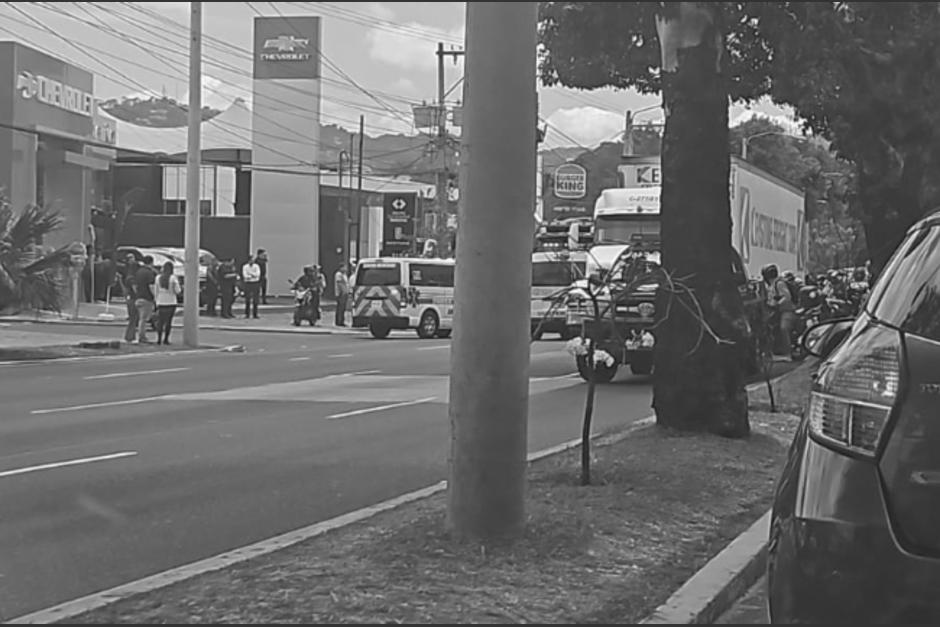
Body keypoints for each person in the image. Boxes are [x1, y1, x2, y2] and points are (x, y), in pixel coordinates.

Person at [760, 263, 796, 357]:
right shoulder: (772, 285)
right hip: (777, 312)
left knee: (784, 328)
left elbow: (787, 297)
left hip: (787, 311)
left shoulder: (779, 283)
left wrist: (777, 304)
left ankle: (788, 354)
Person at [153, 260, 182, 345]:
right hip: (171, 301)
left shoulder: (158, 278)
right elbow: (178, 291)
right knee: (168, 322)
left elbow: (156, 291)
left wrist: (156, 301)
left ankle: (158, 339)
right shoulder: (173, 278)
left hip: (161, 301)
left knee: (160, 322)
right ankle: (166, 339)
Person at [133, 255, 157, 344]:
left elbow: (135, 285)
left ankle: (141, 335)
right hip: (147, 298)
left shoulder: (138, 272)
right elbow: (151, 286)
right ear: (151, 262)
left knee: (141, 318)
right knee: (143, 319)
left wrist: (137, 293)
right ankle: (142, 336)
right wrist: (155, 297)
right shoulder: (149, 273)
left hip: (139, 297)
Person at [121, 254, 140, 343]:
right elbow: (135, 289)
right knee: (133, 318)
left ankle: (130, 336)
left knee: (132, 318)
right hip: (133, 299)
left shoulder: (128, 276)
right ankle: (130, 337)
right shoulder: (132, 278)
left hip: (129, 298)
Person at [241, 254, 262, 319]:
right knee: (247, 299)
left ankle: (255, 314)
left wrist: (250, 274)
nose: (252, 261)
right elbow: (245, 276)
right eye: (251, 260)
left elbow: (258, 275)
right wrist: (252, 275)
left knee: (255, 299)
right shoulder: (245, 266)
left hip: (255, 283)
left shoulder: (257, 266)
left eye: (253, 260)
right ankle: (247, 314)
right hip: (248, 283)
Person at [334, 262, 350, 327]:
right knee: (340, 308)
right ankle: (339, 321)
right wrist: (342, 292)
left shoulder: (344, 274)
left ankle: (341, 320)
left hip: (344, 293)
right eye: (344, 267)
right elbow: (340, 284)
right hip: (341, 293)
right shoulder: (339, 274)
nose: (345, 269)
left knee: (343, 308)